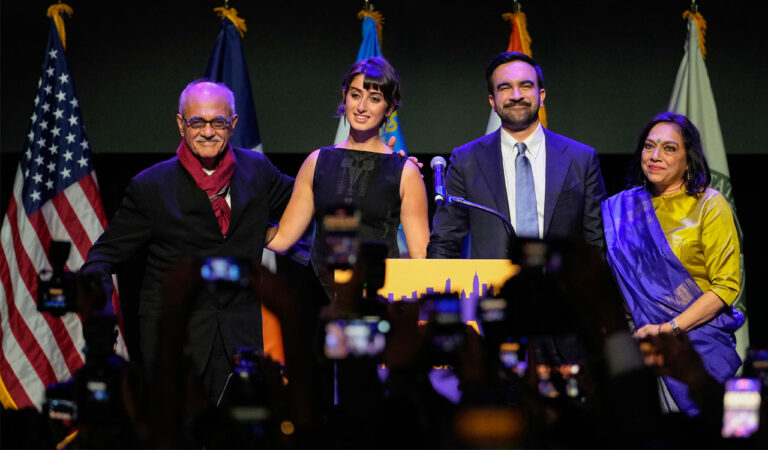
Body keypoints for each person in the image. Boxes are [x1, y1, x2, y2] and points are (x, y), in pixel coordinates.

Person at [82, 80, 295, 402]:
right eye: (197, 121)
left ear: (233, 124)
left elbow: (306, 197)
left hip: (241, 336)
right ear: (181, 124)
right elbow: (102, 257)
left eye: (218, 122)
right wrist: (100, 315)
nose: (208, 131)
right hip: (176, 338)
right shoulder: (151, 186)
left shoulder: (257, 171)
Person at [601, 112, 744, 415]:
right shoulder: (621, 209)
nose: (655, 156)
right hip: (637, 348)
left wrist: (668, 330)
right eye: (649, 146)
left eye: (669, 148)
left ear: (688, 159)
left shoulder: (710, 204)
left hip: (696, 348)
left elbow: (725, 287)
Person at [265, 57, 429, 298]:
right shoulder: (316, 162)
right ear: (344, 96)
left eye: (374, 99)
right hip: (322, 299)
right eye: (355, 95)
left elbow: (420, 257)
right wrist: (240, 224)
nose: (362, 106)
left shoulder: (405, 172)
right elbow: (282, 239)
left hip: (380, 298)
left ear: (390, 107)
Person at [427, 51, 607, 259]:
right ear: (492, 101)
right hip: (493, 288)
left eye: (525, 86)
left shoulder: (582, 159)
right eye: (505, 87)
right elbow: (445, 242)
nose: (516, 95)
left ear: (542, 95)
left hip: (562, 289)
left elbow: (596, 243)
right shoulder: (466, 160)